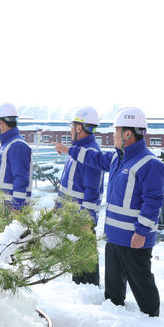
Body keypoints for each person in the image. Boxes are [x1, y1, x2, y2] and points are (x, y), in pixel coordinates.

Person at [55, 107, 164, 315]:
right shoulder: (117, 158)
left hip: (134, 239)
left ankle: (154, 323)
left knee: (142, 285)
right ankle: (116, 321)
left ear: (127, 134)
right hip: (114, 236)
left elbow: (153, 202)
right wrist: (69, 150)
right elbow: (94, 159)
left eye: (116, 132)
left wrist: (141, 231)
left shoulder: (150, 164)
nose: (112, 135)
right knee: (113, 291)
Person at [56, 106, 105, 285]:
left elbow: (93, 191)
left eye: (72, 126)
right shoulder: (76, 150)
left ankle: (89, 298)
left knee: (86, 268)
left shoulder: (90, 152)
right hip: (71, 219)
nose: (70, 129)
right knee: (76, 266)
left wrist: (86, 220)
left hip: (80, 221)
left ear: (79, 128)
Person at [0, 102, 32, 209]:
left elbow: (21, 178)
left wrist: (16, 208)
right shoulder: (8, 144)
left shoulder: (17, 145)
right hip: (2, 207)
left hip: (10, 209)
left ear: (1, 123)